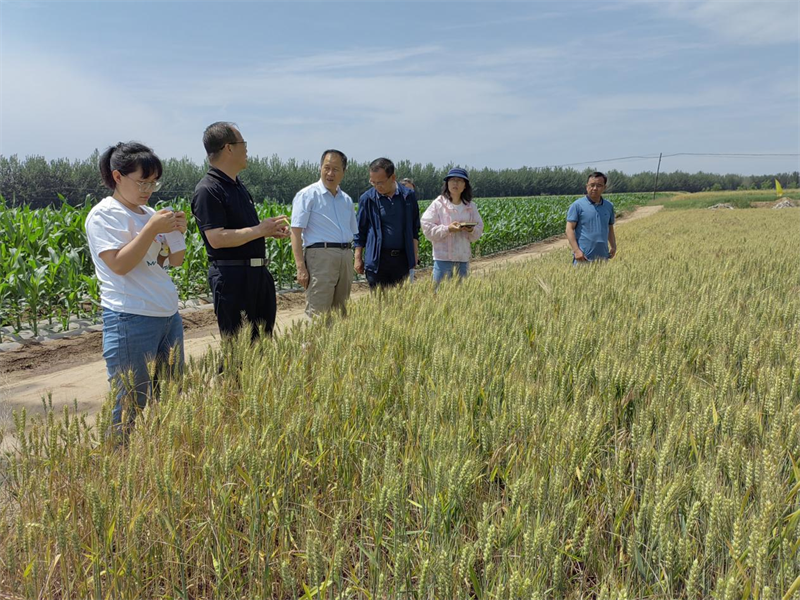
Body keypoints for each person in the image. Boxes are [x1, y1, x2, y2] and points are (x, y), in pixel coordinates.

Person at [85, 141, 186, 434]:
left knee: (171, 399)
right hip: (131, 317)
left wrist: (178, 234)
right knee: (130, 403)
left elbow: (174, 261)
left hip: (167, 315)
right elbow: (118, 264)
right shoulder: (105, 215)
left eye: (154, 183)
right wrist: (153, 228)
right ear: (117, 177)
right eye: (142, 182)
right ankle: (118, 463)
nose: (148, 189)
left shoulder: (149, 212)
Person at [191, 122, 290, 340]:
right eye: (243, 143)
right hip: (233, 279)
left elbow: (245, 231)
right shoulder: (208, 190)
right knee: (239, 353)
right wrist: (259, 229)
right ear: (229, 147)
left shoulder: (237, 186)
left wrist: (267, 230)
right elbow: (216, 238)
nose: (246, 149)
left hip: (256, 276)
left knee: (261, 346)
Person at [290, 150, 357, 318]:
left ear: (344, 172)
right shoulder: (308, 195)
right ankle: (312, 345)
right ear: (320, 168)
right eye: (326, 168)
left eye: (335, 169)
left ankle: (335, 345)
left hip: (345, 256)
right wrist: (300, 267)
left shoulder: (346, 200)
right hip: (320, 257)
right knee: (318, 312)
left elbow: (353, 232)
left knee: (341, 313)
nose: (330, 173)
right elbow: (295, 232)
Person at [354, 158, 420, 289]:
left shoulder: (408, 196)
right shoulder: (367, 199)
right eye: (373, 182)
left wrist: (414, 255)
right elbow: (360, 231)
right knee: (380, 305)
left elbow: (414, 227)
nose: (377, 186)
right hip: (377, 260)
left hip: (402, 259)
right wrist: (358, 258)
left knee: (402, 305)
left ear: (393, 177)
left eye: (381, 182)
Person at [421, 167, 484, 287]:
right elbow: (427, 228)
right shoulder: (438, 204)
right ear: (447, 183)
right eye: (452, 180)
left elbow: (479, 230)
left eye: (460, 180)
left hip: (463, 260)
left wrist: (471, 229)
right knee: (440, 297)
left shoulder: (471, 207)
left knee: (461, 298)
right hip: (442, 260)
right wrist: (447, 229)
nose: (455, 183)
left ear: (465, 185)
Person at [566, 171, 616, 263]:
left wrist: (613, 246)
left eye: (599, 185)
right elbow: (569, 229)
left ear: (604, 187)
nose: (595, 188)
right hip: (583, 257)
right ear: (586, 186)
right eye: (592, 185)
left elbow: (610, 228)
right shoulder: (577, 205)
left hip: (603, 257)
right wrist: (576, 251)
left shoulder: (609, 206)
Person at [399, 178, 418, 282]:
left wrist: (415, 254)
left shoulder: (412, 207)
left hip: (408, 253)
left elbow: (415, 232)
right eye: (407, 189)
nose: (410, 193)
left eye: (412, 191)